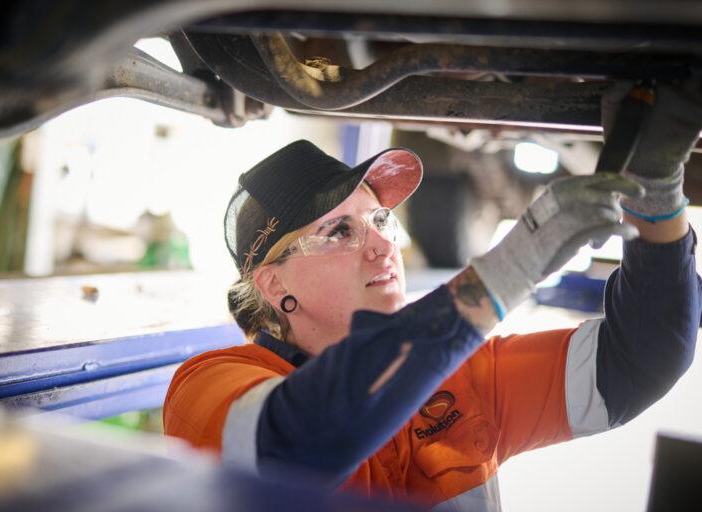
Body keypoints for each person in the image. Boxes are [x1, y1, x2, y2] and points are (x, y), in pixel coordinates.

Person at [163, 82, 702, 511]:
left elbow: (644, 357)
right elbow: (295, 441)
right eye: (338, 232)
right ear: (274, 284)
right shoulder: (206, 387)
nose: (381, 246)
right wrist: (508, 268)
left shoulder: (457, 377)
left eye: (379, 220)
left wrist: (656, 192)